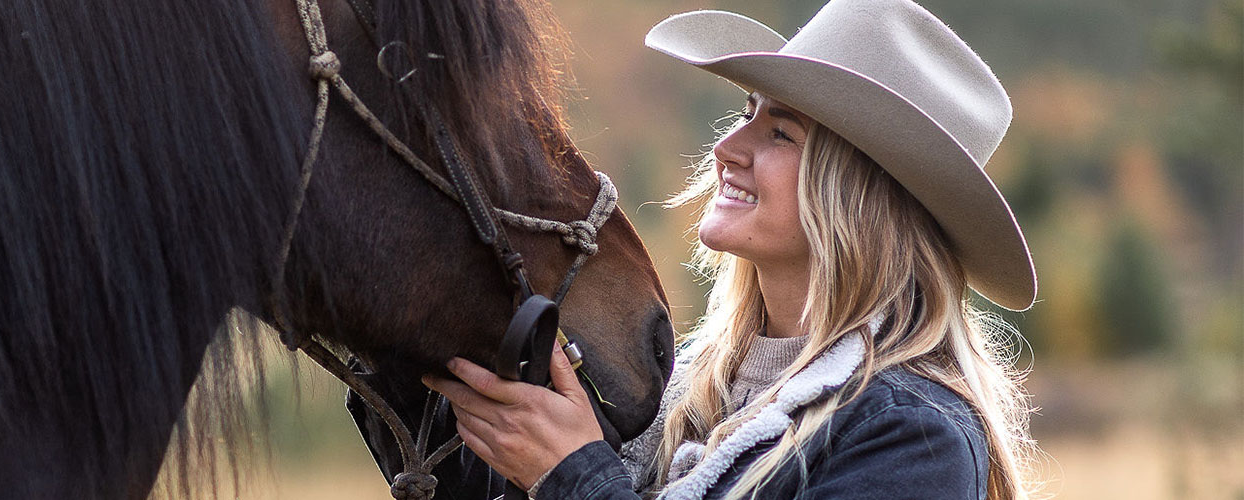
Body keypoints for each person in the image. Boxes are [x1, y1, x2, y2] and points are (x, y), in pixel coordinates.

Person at [424, 0, 1040, 498]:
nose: (728, 148)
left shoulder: (913, 438)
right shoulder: (686, 384)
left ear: (863, 198)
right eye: (747, 112)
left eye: (779, 132)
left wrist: (575, 477)